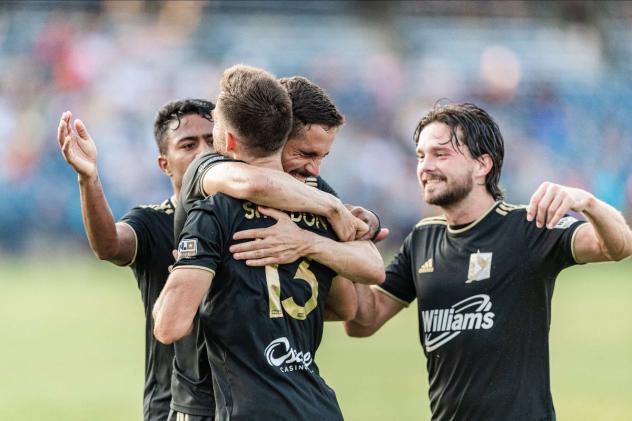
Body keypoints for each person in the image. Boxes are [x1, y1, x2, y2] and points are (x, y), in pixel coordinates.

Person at [342, 102, 632, 420]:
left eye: (441, 154)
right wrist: (345, 246)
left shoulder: (527, 226)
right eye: (421, 156)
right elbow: (363, 321)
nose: (425, 166)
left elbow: (618, 246)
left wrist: (587, 202)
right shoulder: (422, 239)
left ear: (482, 165)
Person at [153, 64, 384, 421]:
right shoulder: (210, 170)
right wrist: (334, 212)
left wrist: (306, 243)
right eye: (306, 155)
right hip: (284, 401)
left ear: (228, 136)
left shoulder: (218, 211)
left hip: (236, 403)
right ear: (280, 136)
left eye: (322, 158)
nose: (314, 170)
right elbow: (255, 185)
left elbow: (168, 325)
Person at [56, 99, 215, 421]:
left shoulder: (247, 218)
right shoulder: (153, 221)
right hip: (174, 405)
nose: (204, 151)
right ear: (164, 164)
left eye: (212, 140)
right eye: (188, 144)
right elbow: (109, 245)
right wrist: (89, 178)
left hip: (244, 400)